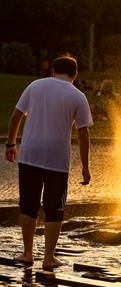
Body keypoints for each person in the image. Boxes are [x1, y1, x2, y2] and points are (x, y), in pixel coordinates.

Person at [5, 55, 93, 269]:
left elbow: (16, 116)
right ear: (75, 75)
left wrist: (10, 144)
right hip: (56, 159)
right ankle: (48, 258)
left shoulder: (35, 86)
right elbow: (83, 134)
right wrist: (85, 166)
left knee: (28, 204)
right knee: (54, 208)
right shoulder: (78, 96)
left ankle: (27, 254)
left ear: (53, 70)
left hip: (30, 154)